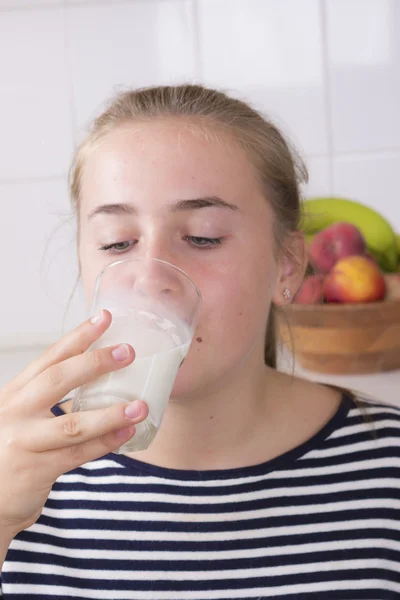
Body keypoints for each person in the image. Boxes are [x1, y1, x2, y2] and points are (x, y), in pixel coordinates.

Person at [0, 84, 399, 600]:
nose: (150, 276)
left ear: (287, 263)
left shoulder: (386, 470)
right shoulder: (17, 471)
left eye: (204, 237)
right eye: (117, 242)